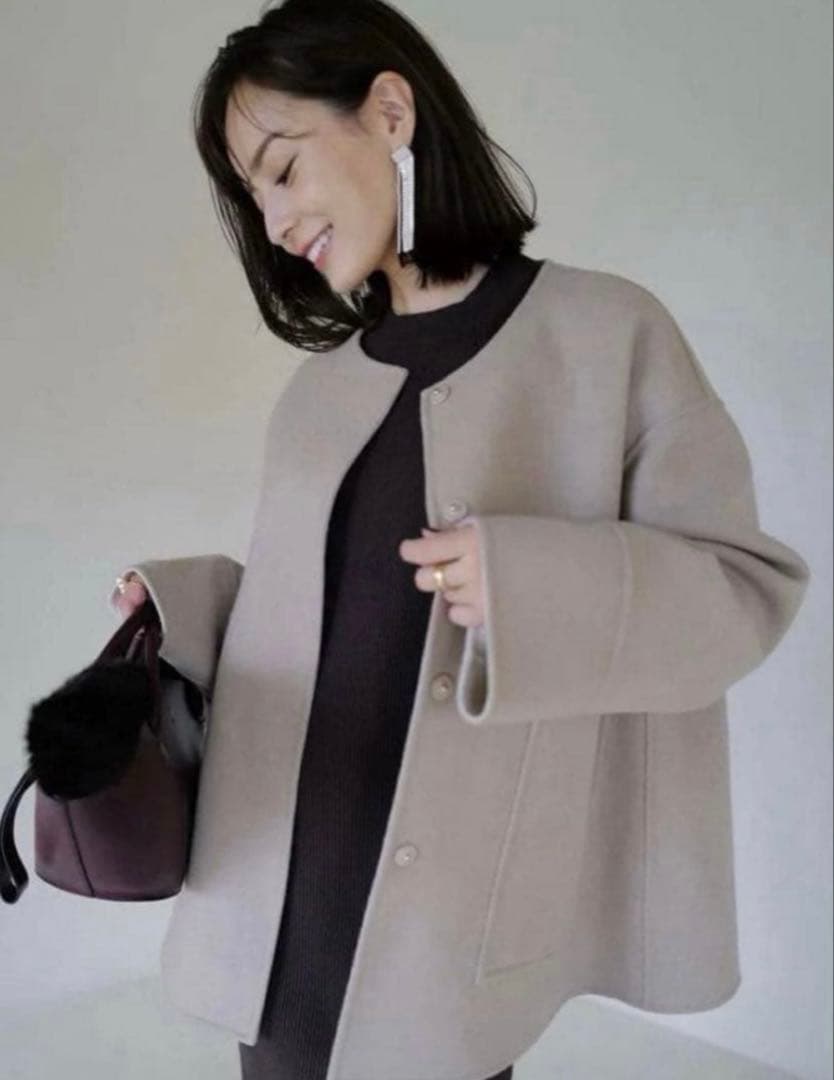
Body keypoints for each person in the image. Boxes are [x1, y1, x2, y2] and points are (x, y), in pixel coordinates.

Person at [107, 1, 809, 1078]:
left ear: (390, 111)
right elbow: (317, 614)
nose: (275, 220)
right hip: (280, 896)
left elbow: (739, 593)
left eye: (283, 168)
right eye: (253, 197)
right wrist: (184, 604)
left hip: (455, 923)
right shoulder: (317, 395)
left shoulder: (609, 335)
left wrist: (529, 586)